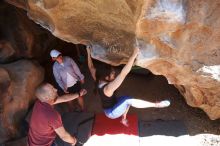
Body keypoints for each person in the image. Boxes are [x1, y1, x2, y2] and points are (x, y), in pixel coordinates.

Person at [86, 45, 170, 126]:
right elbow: (123, 73)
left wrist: (88, 52)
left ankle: (124, 117)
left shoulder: (98, 78)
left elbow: (91, 67)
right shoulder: (108, 88)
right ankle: (156, 105)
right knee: (128, 100)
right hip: (111, 113)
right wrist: (134, 55)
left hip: (111, 105)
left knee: (127, 98)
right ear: (106, 77)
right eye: (112, 73)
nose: (114, 73)